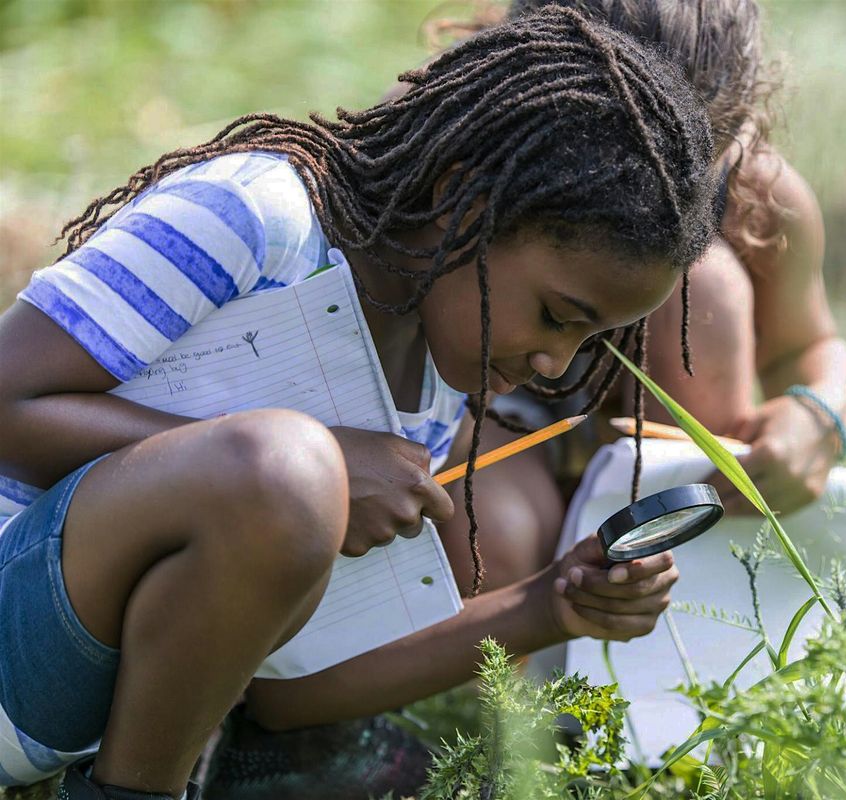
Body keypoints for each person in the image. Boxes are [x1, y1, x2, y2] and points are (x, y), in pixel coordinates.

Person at [0, 7, 718, 797]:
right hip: (16, 623)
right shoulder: (258, 215)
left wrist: (552, 604)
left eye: (591, 342)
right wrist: (312, 468)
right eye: (556, 315)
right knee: (286, 469)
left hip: (64, 718)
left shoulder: (435, 387)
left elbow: (284, 691)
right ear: (464, 198)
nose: (555, 362)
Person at [438, 0, 846, 596]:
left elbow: (810, 344)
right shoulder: (453, 137)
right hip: (483, 416)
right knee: (496, 537)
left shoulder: (755, 194)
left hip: (649, 441)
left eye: (686, 165)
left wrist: (818, 416)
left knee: (705, 287)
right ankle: (522, 662)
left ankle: (679, 610)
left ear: (735, 130)